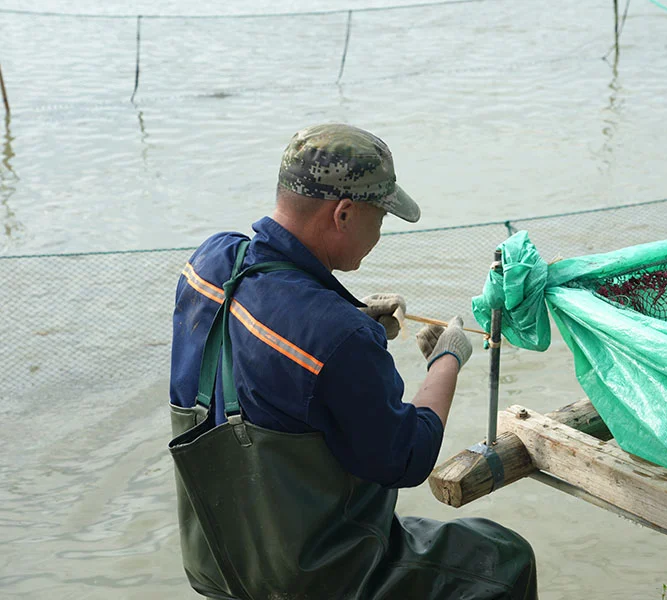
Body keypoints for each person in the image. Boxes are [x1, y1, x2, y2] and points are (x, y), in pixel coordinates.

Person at [168, 123, 537, 600]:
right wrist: (446, 359)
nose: (380, 232)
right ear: (343, 214)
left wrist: (350, 313)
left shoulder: (208, 262)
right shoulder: (338, 338)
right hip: (317, 578)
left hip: (217, 560)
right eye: (380, 217)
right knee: (505, 559)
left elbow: (256, 341)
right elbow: (409, 458)